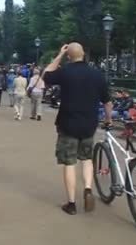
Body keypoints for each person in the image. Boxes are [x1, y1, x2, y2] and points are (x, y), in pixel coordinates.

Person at [43, 43, 112, 215]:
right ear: (84, 55)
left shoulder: (65, 71)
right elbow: (107, 102)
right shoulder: (97, 74)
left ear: (69, 56)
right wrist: (108, 119)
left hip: (68, 124)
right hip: (89, 124)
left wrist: (59, 55)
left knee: (69, 162)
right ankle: (88, 188)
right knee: (87, 158)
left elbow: (46, 75)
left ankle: (71, 203)